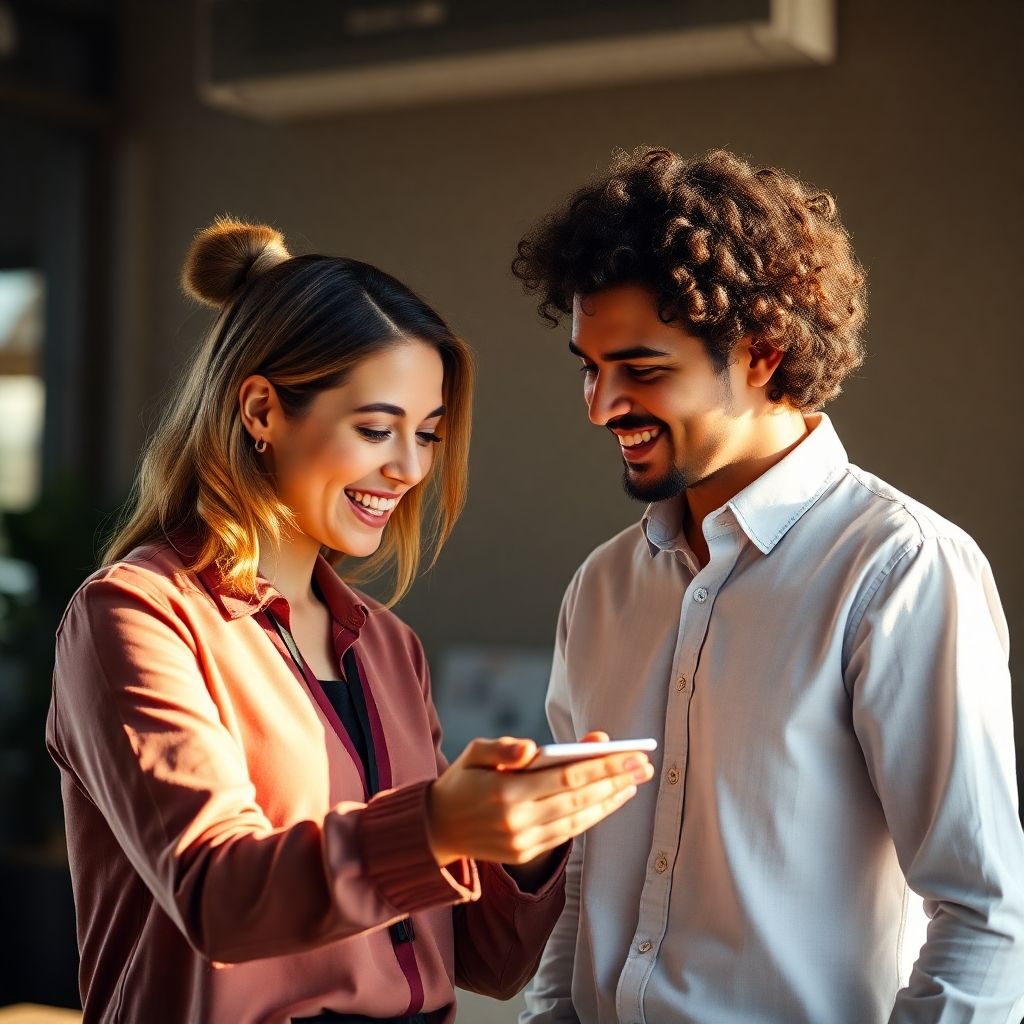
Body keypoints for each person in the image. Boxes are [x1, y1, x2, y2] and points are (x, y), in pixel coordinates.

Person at [45, 219, 655, 1024]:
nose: (408, 468)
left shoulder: (387, 647)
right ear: (261, 409)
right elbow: (217, 896)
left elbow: (481, 961)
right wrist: (437, 825)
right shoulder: (136, 615)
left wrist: (529, 840)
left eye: (428, 435)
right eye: (376, 429)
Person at [511, 148, 1024, 1023]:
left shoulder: (899, 570)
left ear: (761, 352)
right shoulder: (601, 588)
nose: (600, 405)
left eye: (641, 368)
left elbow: (984, 915)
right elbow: (586, 873)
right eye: (589, 367)